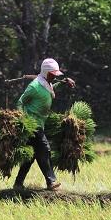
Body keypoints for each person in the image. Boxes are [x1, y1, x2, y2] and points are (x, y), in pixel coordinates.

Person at [14, 58, 76, 191]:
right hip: (32, 124)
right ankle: (51, 182)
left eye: (55, 75)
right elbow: (20, 102)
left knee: (30, 157)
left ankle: (18, 184)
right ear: (46, 73)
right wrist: (24, 121)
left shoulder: (47, 83)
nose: (54, 76)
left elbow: (49, 90)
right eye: (52, 74)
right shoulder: (34, 86)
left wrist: (64, 82)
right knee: (44, 149)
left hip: (40, 123)